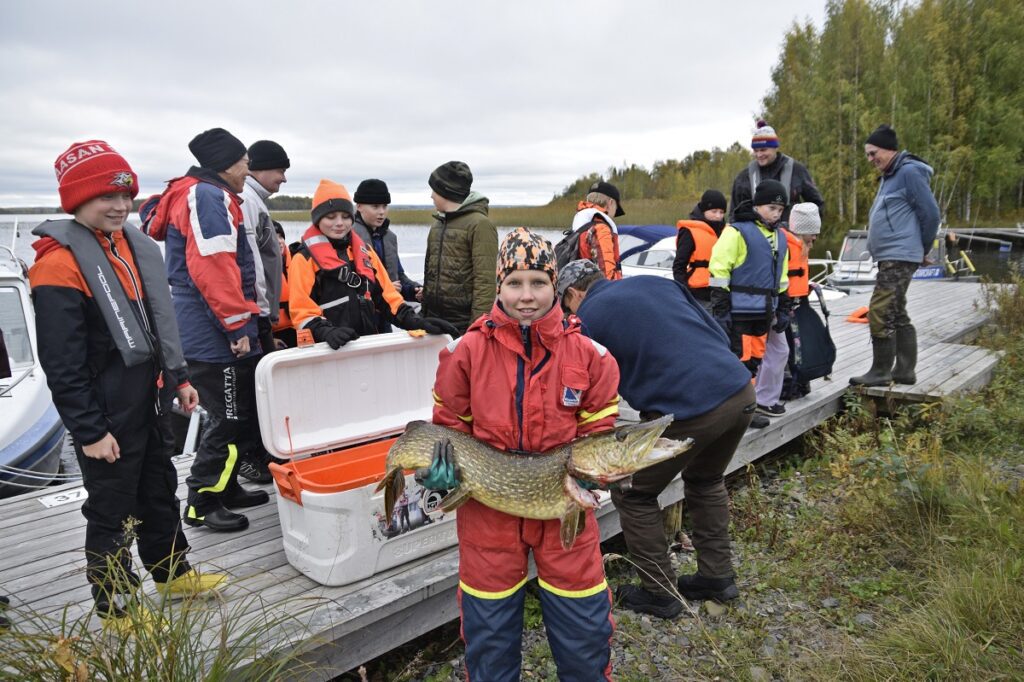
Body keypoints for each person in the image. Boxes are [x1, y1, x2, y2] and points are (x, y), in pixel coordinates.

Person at [30, 140, 226, 628]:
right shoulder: (58, 263)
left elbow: (155, 324)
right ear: (75, 201)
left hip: (150, 399)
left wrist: (178, 379)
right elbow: (62, 362)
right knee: (111, 508)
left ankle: (171, 573)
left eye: (126, 196)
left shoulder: (127, 245)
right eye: (106, 197)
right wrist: (90, 431)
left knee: (160, 489)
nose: (120, 206)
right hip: (105, 411)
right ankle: (115, 602)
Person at [425, 229, 620, 680]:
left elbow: (601, 434)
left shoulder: (592, 356)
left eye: (538, 282)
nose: (526, 296)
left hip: (567, 511)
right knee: (489, 637)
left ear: (558, 286)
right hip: (487, 515)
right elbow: (448, 428)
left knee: (584, 631)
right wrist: (440, 473)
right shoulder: (466, 352)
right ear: (498, 286)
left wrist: (599, 474)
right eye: (514, 283)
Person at [558, 259, 755, 618]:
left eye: (564, 303)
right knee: (706, 478)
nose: (565, 310)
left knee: (634, 493)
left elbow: (583, 386)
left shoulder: (585, 319)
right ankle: (717, 578)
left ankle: (660, 593)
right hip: (739, 390)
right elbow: (718, 333)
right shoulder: (656, 282)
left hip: (690, 407)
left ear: (573, 293)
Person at [140, 127, 267, 533]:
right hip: (211, 330)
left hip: (210, 324)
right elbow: (212, 267)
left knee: (238, 412)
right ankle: (202, 500)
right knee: (226, 416)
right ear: (226, 163)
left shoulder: (201, 192)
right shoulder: (206, 196)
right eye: (245, 160)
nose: (249, 167)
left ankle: (225, 486)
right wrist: (236, 325)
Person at [288, 179, 458, 345]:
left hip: (365, 346)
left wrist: (418, 322)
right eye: (331, 217)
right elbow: (302, 313)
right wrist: (326, 332)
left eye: (346, 217)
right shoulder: (304, 259)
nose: (339, 223)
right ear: (318, 220)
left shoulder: (366, 253)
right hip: (327, 349)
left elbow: (389, 299)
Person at [850, 124, 940, 386]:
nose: (870, 159)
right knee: (896, 310)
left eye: (873, 153)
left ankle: (880, 371)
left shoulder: (909, 172)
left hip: (900, 255)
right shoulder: (890, 175)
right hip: (893, 254)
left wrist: (923, 249)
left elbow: (931, 214)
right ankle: (904, 370)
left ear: (890, 150)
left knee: (879, 310)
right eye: (867, 154)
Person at [709, 180, 791, 429]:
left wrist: (785, 306)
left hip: (765, 312)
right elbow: (719, 268)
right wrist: (721, 307)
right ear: (757, 206)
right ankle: (732, 411)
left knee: (754, 362)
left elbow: (783, 277)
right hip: (740, 311)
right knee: (739, 363)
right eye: (771, 208)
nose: (776, 214)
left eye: (780, 209)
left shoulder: (780, 237)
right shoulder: (736, 231)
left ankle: (744, 410)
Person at [237, 139, 290, 483]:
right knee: (251, 395)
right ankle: (250, 460)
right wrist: (261, 315)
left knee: (260, 391)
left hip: (262, 314)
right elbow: (250, 264)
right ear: (257, 168)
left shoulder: (254, 200)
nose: (283, 178)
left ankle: (256, 457)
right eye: (279, 170)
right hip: (255, 314)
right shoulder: (246, 201)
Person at [753, 203, 821, 416]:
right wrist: (782, 307)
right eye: (813, 233)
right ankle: (762, 398)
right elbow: (779, 279)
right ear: (802, 230)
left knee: (780, 351)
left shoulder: (799, 245)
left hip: (790, 305)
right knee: (775, 351)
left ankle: (766, 396)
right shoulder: (785, 244)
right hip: (777, 306)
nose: (815, 238)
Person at [420, 161, 499, 334]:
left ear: (445, 191)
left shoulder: (480, 225)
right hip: (433, 320)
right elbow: (428, 273)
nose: (431, 196)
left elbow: (485, 283)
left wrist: (478, 329)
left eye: (434, 190)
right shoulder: (437, 225)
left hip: (463, 324)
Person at [730, 120, 824, 223]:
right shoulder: (743, 177)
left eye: (763, 150)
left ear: (775, 147)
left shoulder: (797, 170)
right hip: (755, 236)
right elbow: (734, 215)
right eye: (755, 151)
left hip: (790, 236)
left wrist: (807, 232)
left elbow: (816, 205)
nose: (759, 155)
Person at [352, 178, 422, 308]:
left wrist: (415, 290)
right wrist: (384, 288)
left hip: (386, 314)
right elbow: (345, 285)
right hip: (359, 314)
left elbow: (398, 276)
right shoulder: (348, 237)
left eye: (385, 206)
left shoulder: (389, 238)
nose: (381, 212)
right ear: (359, 206)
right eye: (375, 206)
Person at [672, 189, 729, 311]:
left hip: (723, 294)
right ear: (704, 210)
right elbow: (679, 265)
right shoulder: (689, 231)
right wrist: (684, 292)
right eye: (714, 211)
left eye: (721, 212)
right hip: (698, 294)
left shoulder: (728, 232)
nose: (718, 216)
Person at [569, 180, 625, 280]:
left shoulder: (582, 224)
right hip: (600, 292)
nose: (614, 214)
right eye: (616, 208)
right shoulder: (601, 229)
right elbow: (607, 275)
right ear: (610, 203)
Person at [271, 222, 296, 349]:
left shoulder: (297, 261)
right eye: (274, 237)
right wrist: (268, 340)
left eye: (281, 236)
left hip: (297, 327)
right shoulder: (258, 269)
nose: (280, 241)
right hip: (273, 334)